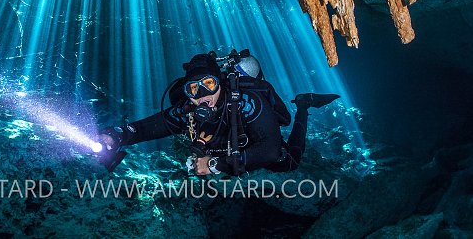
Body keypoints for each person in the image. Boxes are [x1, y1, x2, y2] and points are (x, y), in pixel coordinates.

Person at [98, 50, 339, 176]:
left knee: (289, 163)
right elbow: (150, 127)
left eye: (209, 84)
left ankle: (304, 105)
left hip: (253, 143)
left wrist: (215, 164)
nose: (202, 94)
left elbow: (271, 149)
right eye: (193, 89)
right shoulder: (188, 110)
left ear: (221, 82)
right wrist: (118, 135)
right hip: (228, 155)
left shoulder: (246, 102)